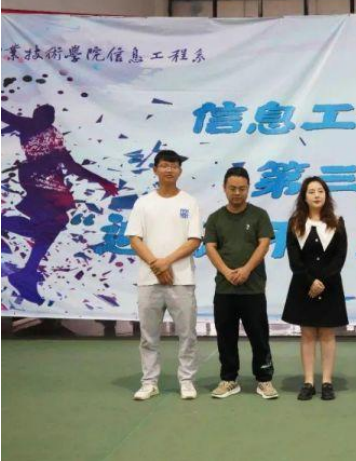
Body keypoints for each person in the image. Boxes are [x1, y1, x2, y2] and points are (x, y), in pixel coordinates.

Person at [2, 105, 118, 305]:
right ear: (35, 116)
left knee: (44, 228)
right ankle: (26, 274)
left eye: (49, 117)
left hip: (52, 180)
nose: (46, 121)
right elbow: (4, 114)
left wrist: (101, 181)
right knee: (54, 221)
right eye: (42, 116)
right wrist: (101, 181)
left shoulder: (53, 133)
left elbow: (71, 165)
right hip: (37, 178)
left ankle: (26, 272)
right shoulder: (26, 125)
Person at [125, 149, 202, 401]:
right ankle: (149, 382)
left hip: (182, 280)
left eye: (174, 166)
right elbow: (134, 239)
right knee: (148, 335)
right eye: (165, 165)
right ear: (155, 169)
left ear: (180, 170)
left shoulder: (189, 202)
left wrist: (165, 263)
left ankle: (186, 381)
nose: (169, 170)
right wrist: (155, 266)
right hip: (149, 280)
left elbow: (194, 240)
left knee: (187, 334)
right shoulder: (143, 203)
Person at [204, 167, 278, 400]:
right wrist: (227, 272)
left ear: (248, 189)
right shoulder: (215, 218)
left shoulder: (259, 215)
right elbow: (210, 247)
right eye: (232, 188)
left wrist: (246, 270)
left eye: (242, 189)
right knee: (225, 338)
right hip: (224, 289)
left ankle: (264, 380)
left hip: (252, 288)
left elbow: (264, 244)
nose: (237, 193)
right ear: (224, 188)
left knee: (259, 337)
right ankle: (229, 379)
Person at [282, 177, 349, 401]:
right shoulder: (295, 224)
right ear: (304, 197)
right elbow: (295, 260)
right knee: (308, 334)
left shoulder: (337, 222)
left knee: (328, 334)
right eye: (311, 191)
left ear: (326, 195)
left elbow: (339, 258)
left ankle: (327, 382)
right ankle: (309, 382)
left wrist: (322, 282)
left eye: (320, 191)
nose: (317, 195)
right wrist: (310, 281)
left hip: (330, 286)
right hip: (304, 286)